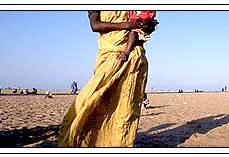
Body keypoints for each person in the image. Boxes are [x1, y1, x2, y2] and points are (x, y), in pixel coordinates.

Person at [58, 11, 157, 147]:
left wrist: (148, 26)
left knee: (124, 108)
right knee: (92, 99)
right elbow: (95, 25)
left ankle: (118, 145)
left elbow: (142, 27)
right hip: (109, 55)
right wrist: (128, 24)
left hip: (132, 57)